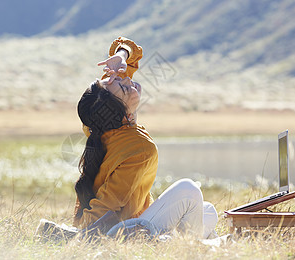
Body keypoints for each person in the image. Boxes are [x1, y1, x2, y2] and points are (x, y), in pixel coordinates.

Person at [72, 37, 218, 239]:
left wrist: (120, 56)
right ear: (125, 114)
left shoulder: (97, 124)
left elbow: (128, 57)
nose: (128, 80)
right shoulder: (138, 149)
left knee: (207, 210)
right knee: (188, 189)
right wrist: (81, 235)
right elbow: (107, 205)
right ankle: (189, 246)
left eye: (119, 79)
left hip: (136, 220)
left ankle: (179, 241)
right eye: (124, 87)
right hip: (126, 232)